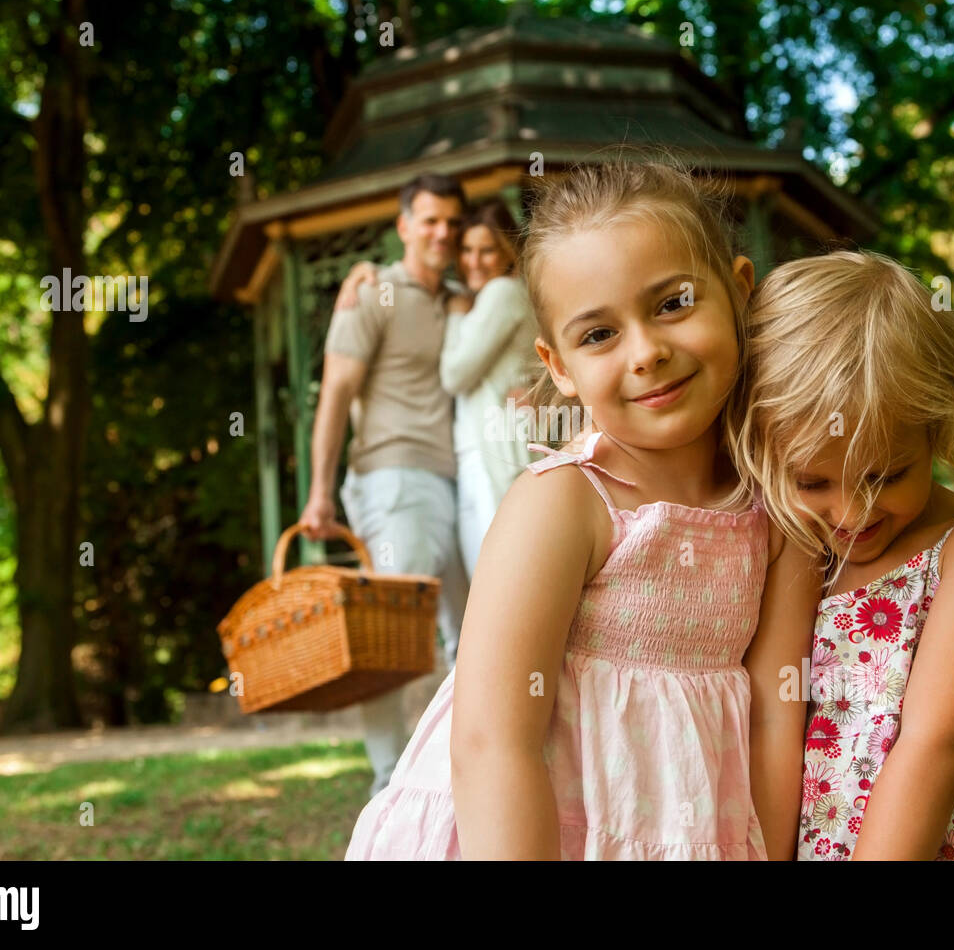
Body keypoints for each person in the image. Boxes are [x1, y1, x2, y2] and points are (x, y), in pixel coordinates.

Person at [345, 158, 819, 860]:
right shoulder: (564, 502)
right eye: (599, 335)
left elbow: (778, 720)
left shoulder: (776, 515)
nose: (647, 352)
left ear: (740, 292)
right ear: (559, 366)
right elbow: (493, 743)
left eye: (674, 303)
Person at [730, 250, 954, 860]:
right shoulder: (800, 553)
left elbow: (933, 745)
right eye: (812, 482)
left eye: (886, 476)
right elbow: (774, 726)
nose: (853, 514)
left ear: (936, 429)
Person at [298, 173, 472, 799]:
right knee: (390, 636)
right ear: (403, 226)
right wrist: (320, 492)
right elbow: (335, 395)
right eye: (429, 220)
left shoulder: (456, 300)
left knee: (472, 631)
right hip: (394, 477)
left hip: (458, 479)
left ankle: (460, 780)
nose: (443, 232)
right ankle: (387, 788)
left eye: (452, 222)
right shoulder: (371, 293)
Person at [334, 200, 539, 578]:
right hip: (475, 455)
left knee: (501, 575)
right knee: (488, 576)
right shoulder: (477, 298)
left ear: (508, 251)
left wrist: (458, 314)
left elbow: (455, 374)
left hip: (497, 450)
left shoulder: (502, 294)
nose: (474, 261)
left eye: (487, 250)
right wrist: (363, 272)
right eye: (466, 250)